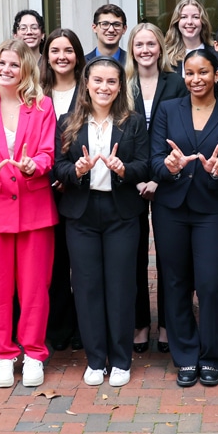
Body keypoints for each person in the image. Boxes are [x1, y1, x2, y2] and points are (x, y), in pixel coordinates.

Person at [53, 57, 150, 388]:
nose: (104, 87)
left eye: (111, 81)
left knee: (121, 286)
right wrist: (77, 171)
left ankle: (121, 359)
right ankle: (96, 360)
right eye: (98, 81)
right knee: (87, 286)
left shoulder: (133, 122)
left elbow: (144, 166)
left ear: (120, 86)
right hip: (81, 213)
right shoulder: (68, 121)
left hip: (120, 212)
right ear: (86, 83)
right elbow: (58, 167)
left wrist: (124, 170)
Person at [0, 39, 59, 389]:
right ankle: (4, 354)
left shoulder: (42, 106)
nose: (6, 70)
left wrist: (33, 165)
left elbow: (48, 152)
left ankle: (34, 352)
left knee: (36, 286)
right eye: (1, 63)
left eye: (14, 64)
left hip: (34, 207)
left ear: (26, 69)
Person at [149, 47, 218, 388]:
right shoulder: (167, 110)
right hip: (171, 207)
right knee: (174, 282)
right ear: (183, 75)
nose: (196, 78)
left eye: (203, 72)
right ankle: (185, 355)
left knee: (211, 283)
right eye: (190, 72)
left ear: (216, 75)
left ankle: (213, 356)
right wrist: (168, 167)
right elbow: (154, 158)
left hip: (212, 210)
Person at [127, 21, 183, 354]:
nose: (145, 50)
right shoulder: (123, 83)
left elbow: (176, 130)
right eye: (139, 45)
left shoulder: (175, 83)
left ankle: (167, 324)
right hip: (130, 180)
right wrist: (138, 178)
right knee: (134, 256)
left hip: (168, 178)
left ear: (160, 48)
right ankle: (139, 323)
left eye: (151, 44)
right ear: (131, 50)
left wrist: (158, 178)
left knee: (168, 257)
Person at [42, 28, 85, 352]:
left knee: (80, 263)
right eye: (55, 50)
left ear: (77, 55)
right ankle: (59, 327)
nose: (61, 56)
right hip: (43, 190)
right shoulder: (37, 93)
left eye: (68, 50)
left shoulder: (88, 90)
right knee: (54, 264)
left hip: (79, 188)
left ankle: (84, 327)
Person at [160, 0, 213, 72]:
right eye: (184, 17)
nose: (189, 22)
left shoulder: (216, 54)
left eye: (196, 17)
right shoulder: (165, 57)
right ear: (177, 22)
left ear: (203, 22)